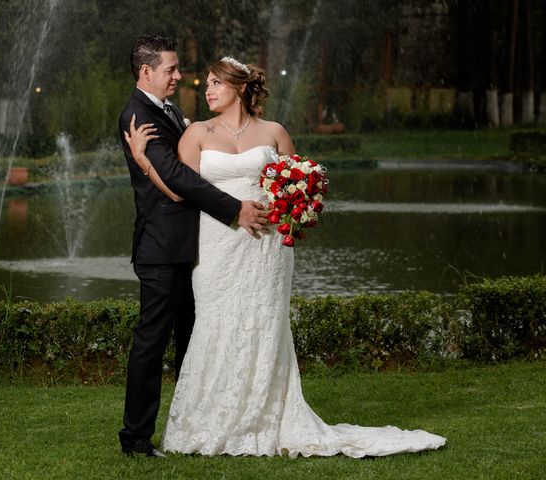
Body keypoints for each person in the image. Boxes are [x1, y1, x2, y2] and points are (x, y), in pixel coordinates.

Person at [125, 56, 447, 458]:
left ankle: (267, 417)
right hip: (217, 246)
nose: (206, 90)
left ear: (239, 88)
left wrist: (298, 211)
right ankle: (209, 422)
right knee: (216, 326)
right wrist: (142, 161)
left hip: (266, 248)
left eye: (215, 83)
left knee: (265, 325)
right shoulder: (195, 135)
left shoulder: (274, 132)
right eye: (205, 83)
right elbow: (180, 190)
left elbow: (298, 184)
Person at [117, 35, 269, 458]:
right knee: (152, 339)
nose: (179, 76)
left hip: (193, 247)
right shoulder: (137, 116)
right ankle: (135, 438)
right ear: (146, 72)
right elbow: (179, 183)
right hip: (162, 248)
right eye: (170, 69)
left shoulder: (167, 112)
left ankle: (197, 424)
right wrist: (236, 209)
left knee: (194, 338)